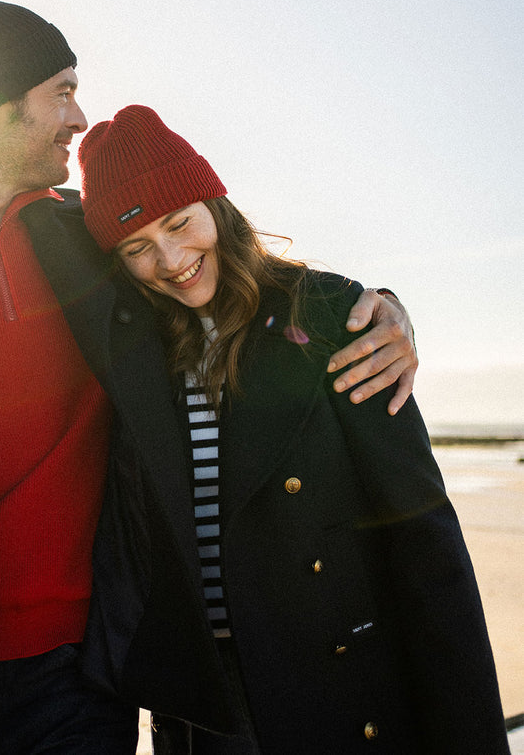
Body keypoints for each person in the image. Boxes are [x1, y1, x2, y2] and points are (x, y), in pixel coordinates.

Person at [0, 0, 417, 755]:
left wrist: (383, 314)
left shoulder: (92, 239)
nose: (79, 119)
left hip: (84, 675)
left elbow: (233, 281)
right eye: (62, 91)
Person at [76, 105, 509, 755]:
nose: (170, 260)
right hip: (207, 711)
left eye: (179, 223)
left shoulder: (333, 315)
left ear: (214, 203)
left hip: (336, 684)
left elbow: (423, 538)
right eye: (137, 248)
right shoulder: (137, 355)